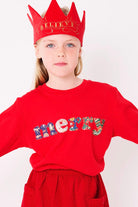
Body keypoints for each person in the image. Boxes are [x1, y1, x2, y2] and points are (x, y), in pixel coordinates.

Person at [0, 0, 138, 206]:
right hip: (42, 194)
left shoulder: (106, 97)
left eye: (69, 44)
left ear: (80, 50)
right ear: (37, 50)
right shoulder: (27, 106)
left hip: (87, 194)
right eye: (50, 44)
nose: (60, 52)